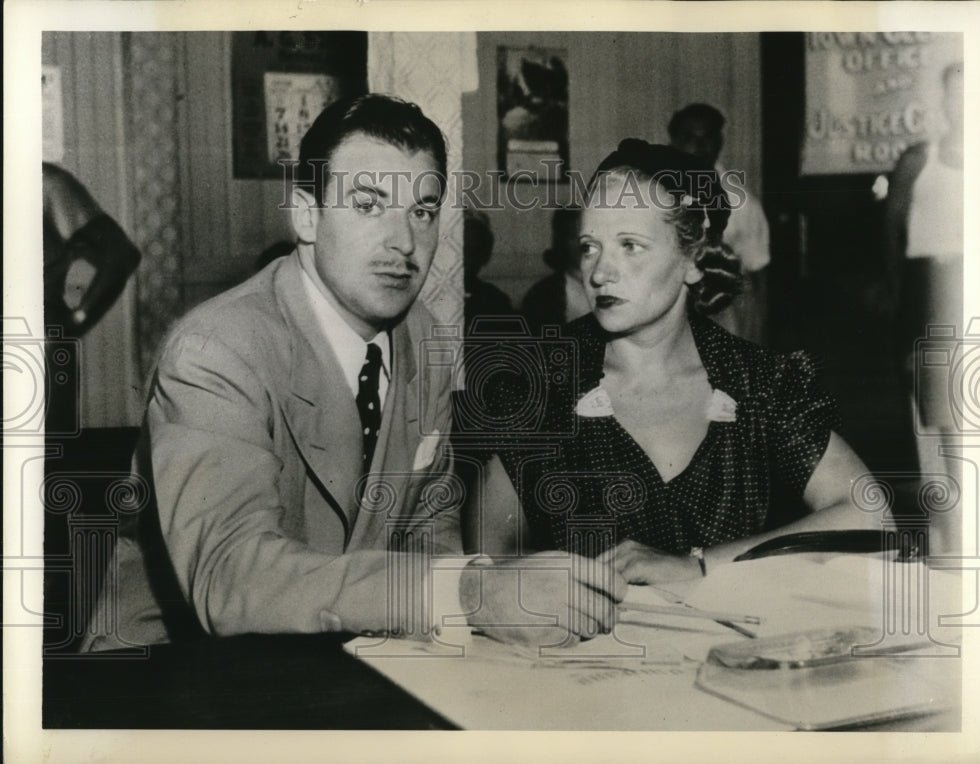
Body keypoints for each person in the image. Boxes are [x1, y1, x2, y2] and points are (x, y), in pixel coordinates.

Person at [81, 94, 621, 652]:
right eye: (369, 206)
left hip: (341, 659)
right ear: (306, 215)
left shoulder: (425, 337)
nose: (404, 242)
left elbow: (429, 528)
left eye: (422, 212)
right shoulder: (215, 349)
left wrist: (478, 613)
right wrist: (469, 592)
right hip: (174, 672)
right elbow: (230, 577)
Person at [473, 139, 882, 587]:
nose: (600, 272)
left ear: (693, 259)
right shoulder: (538, 383)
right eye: (590, 247)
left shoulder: (757, 383)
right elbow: (485, 558)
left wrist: (701, 565)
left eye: (630, 245)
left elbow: (869, 513)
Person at [882, 63, 964, 551]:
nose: (963, 106)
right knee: (941, 434)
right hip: (929, 301)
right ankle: (948, 545)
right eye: (954, 95)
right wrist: (903, 312)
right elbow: (890, 239)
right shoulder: (919, 160)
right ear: (943, 101)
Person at [43, 162, 142, 430]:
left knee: (41, 452)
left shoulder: (46, 183)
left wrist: (78, 320)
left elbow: (120, 255)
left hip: (33, 346)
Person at [668, 103, 770, 344]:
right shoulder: (651, 194)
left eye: (708, 137)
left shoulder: (741, 202)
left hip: (722, 316)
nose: (700, 146)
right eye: (689, 138)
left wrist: (759, 336)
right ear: (674, 142)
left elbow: (758, 275)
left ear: (720, 142)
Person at [520, 207, 589, 333]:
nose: (583, 244)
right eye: (574, 236)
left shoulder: (616, 287)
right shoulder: (542, 296)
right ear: (561, 242)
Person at [462, 209, 516, 333]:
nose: (465, 258)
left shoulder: (496, 301)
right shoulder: (425, 299)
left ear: (485, 254)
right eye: (461, 248)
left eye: (474, 250)